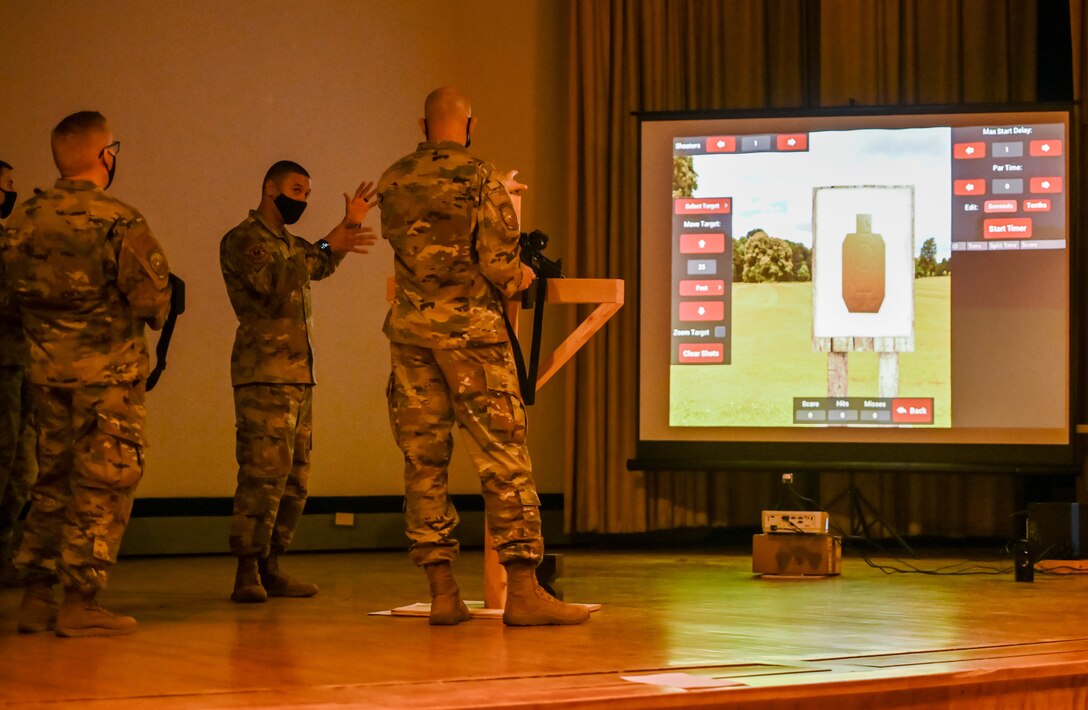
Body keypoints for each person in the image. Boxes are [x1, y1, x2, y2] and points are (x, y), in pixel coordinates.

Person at [378, 86, 589, 626]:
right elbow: (499, 264)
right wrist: (527, 273)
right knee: (503, 458)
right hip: (473, 339)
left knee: (423, 463)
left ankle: (443, 592)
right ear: (469, 125)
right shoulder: (480, 176)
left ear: (422, 125)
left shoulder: (395, 178)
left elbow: (424, 242)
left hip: (411, 339)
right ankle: (522, 590)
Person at [0, 112, 173, 637]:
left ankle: (35, 596)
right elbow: (152, 301)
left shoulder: (22, 221)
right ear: (104, 154)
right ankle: (81, 600)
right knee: (103, 484)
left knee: (50, 482)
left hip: (46, 374)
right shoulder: (118, 219)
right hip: (108, 381)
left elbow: (8, 304)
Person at [220, 161, 377, 603]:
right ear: (270, 189)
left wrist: (349, 226)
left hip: (298, 377)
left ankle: (272, 564)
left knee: (294, 478)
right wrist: (330, 240)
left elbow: (319, 263)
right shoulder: (244, 239)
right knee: (262, 474)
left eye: (307, 194)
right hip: (263, 375)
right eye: (296, 190)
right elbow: (275, 279)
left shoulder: (290, 244)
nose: (302, 200)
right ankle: (247, 568)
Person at [0, 160, 37, 587]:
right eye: (9, 186)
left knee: (21, 465)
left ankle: (5, 552)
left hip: (22, 362)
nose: (14, 194)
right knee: (4, 455)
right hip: (4, 363)